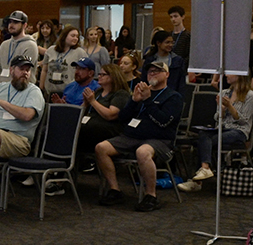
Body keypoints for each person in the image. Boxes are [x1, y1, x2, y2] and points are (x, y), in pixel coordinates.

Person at [96, 60, 184, 212]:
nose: (153, 73)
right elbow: (123, 118)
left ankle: (151, 195)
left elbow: (163, 122)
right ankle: (115, 190)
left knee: (142, 152)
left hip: (159, 139)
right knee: (101, 148)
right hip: (132, 136)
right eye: (150, 71)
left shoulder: (173, 97)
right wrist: (133, 101)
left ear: (167, 74)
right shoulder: (140, 93)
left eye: (157, 71)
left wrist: (148, 100)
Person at [79, 63, 130, 154]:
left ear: (113, 76)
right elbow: (81, 112)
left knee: (83, 130)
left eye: (103, 74)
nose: (99, 76)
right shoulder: (98, 92)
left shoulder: (120, 94)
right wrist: (86, 103)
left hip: (108, 128)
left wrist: (93, 101)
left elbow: (111, 115)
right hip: (90, 123)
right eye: (99, 74)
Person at [40, 25, 87, 99]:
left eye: (77, 36)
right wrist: (41, 87)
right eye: (73, 36)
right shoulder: (51, 50)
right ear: (64, 36)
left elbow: (85, 72)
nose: (75, 38)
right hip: (50, 91)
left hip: (69, 92)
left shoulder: (80, 52)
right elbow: (44, 70)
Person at [0, 10, 38, 85]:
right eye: (10, 22)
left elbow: (24, 72)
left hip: (21, 89)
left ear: (24, 25)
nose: (11, 25)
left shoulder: (30, 45)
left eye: (15, 22)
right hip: (2, 88)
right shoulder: (4, 44)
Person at [142, 29, 186, 95]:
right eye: (167, 42)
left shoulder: (177, 60)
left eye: (172, 42)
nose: (170, 45)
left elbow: (181, 83)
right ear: (158, 43)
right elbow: (144, 79)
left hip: (172, 95)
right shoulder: (149, 60)